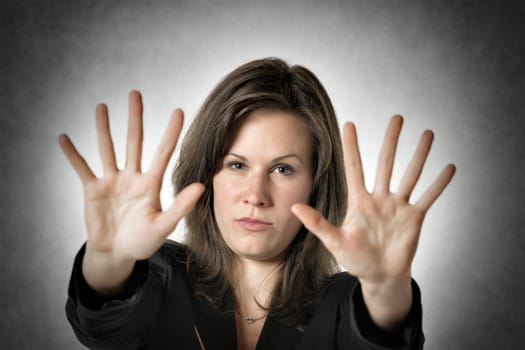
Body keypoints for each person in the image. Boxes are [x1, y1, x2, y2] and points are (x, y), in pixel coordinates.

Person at [60, 58, 455, 349]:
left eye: (283, 170)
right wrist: (108, 258)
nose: (256, 195)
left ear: (316, 186)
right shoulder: (158, 274)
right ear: (207, 176)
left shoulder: (346, 303)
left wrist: (387, 288)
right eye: (236, 164)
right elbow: (101, 326)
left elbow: (381, 339)